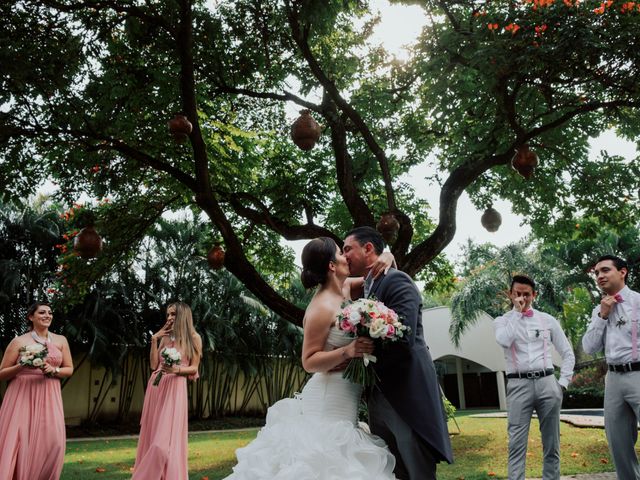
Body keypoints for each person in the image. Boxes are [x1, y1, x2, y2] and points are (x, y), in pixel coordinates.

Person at [224, 237, 397, 479]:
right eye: (340, 253)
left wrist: (387, 256)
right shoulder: (320, 308)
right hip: (327, 407)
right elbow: (309, 361)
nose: (346, 257)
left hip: (347, 406)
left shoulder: (346, 287)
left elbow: (379, 278)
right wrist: (348, 351)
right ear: (331, 266)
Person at [343, 226, 454, 480]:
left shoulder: (397, 280)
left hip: (406, 396)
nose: (344, 255)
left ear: (368, 248)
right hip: (378, 399)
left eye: (347, 248)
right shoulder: (367, 286)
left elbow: (403, 337)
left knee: (417, 470)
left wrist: (366, 351)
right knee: (392, 471)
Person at [494, 274, 575, 480]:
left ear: (534, 295)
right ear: (510, 294)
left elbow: (567, 353)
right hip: (518, 384)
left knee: (552, 444)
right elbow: (504, 340)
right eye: (517, 294)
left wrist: (562, 384)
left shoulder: (547, 320)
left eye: (526, 294)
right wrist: (518, 314)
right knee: (516, 444)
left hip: (548, 383)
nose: (522, 298)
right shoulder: (502, 321)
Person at [0, 301, 74, 480]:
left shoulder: (61, 340)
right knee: (21, 440)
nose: (47, 315)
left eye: (49, 312)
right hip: (22, 395)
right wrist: (21, 366)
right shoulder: (19, 341)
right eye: (42, 312)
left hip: (50, 394)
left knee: (53, 442)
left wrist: (54, 370)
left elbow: (69, 369)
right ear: (31, 317)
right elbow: (2, 373)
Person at [582, 255, 640, 480]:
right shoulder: (599, 310)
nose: (600, 276)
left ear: (622, 272)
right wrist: (602, 316)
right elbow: (589, 346)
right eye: (597, 273)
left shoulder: (638, 302)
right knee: (618, 442)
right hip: (613, 379)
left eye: (605, 270)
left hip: (638, 374)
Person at [132, 301, 202, 480]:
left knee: (161, 446)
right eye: (168, 315)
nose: (170, 318)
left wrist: (176, 370)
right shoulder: (164, 337)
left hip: (175, 389)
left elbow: (194, 368)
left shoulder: (194, 338)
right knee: (152, 437)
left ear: (183, 316)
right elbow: (154, 365)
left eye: (173, 314)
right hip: (156, 386)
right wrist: (154, 340)